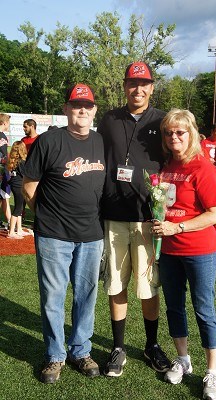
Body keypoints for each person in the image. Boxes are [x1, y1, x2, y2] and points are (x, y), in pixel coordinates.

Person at [22, 83, 106, 383]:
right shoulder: (49, 140)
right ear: (66, 109)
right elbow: (29, 184)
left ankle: (81, 350)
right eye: (75, 104)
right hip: (54, 233)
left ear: (94, 110)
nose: (81, 109)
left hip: (92, 233)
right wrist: (44, 214)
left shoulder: (101, 142)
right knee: (53, 297)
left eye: (87, 105)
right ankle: (56, 355)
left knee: (86, 295)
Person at [97, 61, 171, 377]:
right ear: (125, 86)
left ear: (152, 87)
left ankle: (151, 345)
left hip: (148, 219)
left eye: (143, 84)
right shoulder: (109, 119)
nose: (137, 89)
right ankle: (118, 347)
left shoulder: (163, 121)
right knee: (116, 283)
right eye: (132, 83)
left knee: (148, 286)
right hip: (113, 216)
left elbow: (179, 161)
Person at [152, 109, 216, 400]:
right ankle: (183, 359)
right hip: (169, 250)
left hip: (199, 250)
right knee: (174, 307)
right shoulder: (167, 164)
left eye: (180, 132)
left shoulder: (202, 167)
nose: (174, 137)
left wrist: (177, 226)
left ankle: (213, 372)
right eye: (169, 133)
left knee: (204, 310)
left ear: (191, 132)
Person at [7, 141, 29, 238]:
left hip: (15, 185)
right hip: (19, 186)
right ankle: (11, 232)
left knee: (20, 207)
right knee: (17, 208)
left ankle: (19, 229)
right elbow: (25, 175)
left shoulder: (13, 160)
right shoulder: (21, 162)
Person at [0, 113, 11, 228]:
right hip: (1, 171)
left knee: (2, 196)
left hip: (2, 170)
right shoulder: (2, 136)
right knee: (5, 196)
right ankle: (10, 222)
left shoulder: (3, 136)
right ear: (4, 123)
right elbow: (3, 157)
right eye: (8, 122)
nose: (9, 125)